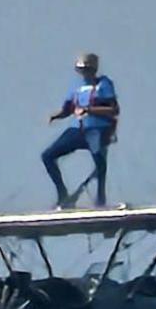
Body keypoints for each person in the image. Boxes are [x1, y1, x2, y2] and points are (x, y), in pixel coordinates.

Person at [42, 52, 118, 208]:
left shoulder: (103, 84)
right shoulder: (77, 86)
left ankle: (100, 199)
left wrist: (90, 110)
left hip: (97, 129)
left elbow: (113, 109)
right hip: (78, 130)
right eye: (82, 70)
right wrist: (57, 116)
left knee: (99, 161)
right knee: (48, 155)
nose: (85, 73)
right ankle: (62, 194)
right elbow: (68, 108)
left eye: (88, 70)